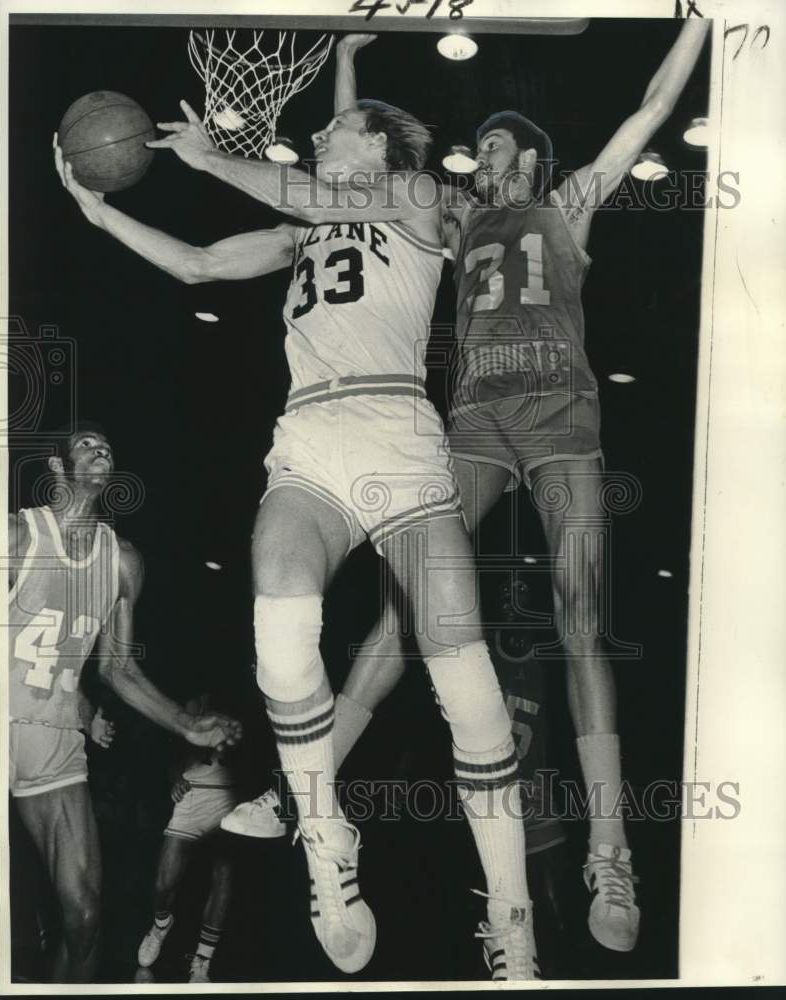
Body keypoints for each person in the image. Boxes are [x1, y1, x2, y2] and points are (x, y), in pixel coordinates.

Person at [219, 22, 710, 956]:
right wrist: (352, 67)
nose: (474, 153)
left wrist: (696, 21)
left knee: (579, 618)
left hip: (561, 418)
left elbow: (647, 112)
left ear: (524, 156)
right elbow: (339, 192)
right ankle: (297, 789)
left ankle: (610, 851)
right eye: (472, 145)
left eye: (489, 142)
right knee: (409, 618)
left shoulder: (569, 206)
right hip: (473, 422)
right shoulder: (443, 214)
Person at [55, 87, 540, 980]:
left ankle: (512, 918)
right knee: (279, 651)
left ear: (382, 148)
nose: (318, 133)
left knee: (465, 686)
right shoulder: (300, 229)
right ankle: (326, 842)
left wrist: (207, 159)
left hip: (397, 437)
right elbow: (198, 264)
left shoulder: (420, 196)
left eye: (335, 126)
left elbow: (314, 194)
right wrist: (97, 211)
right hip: (310, 440)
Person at [8, 423, 243, 982]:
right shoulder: (16, 536)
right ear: (58, 467)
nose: (101, 448)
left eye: (107, 445)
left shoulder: (124, 562)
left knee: (86, 916)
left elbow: (117, 667)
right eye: (86, 443)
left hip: (53, 741)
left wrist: (185, 725)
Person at [136, 692, 238, 984]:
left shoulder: (257, 689)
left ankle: (202, 961)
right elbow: (175, 757)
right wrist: (175, 779)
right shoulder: (196, 700)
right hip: (194, 794)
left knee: (224, 873)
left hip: (231, 796)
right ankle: (160, 925)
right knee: (162, 884)